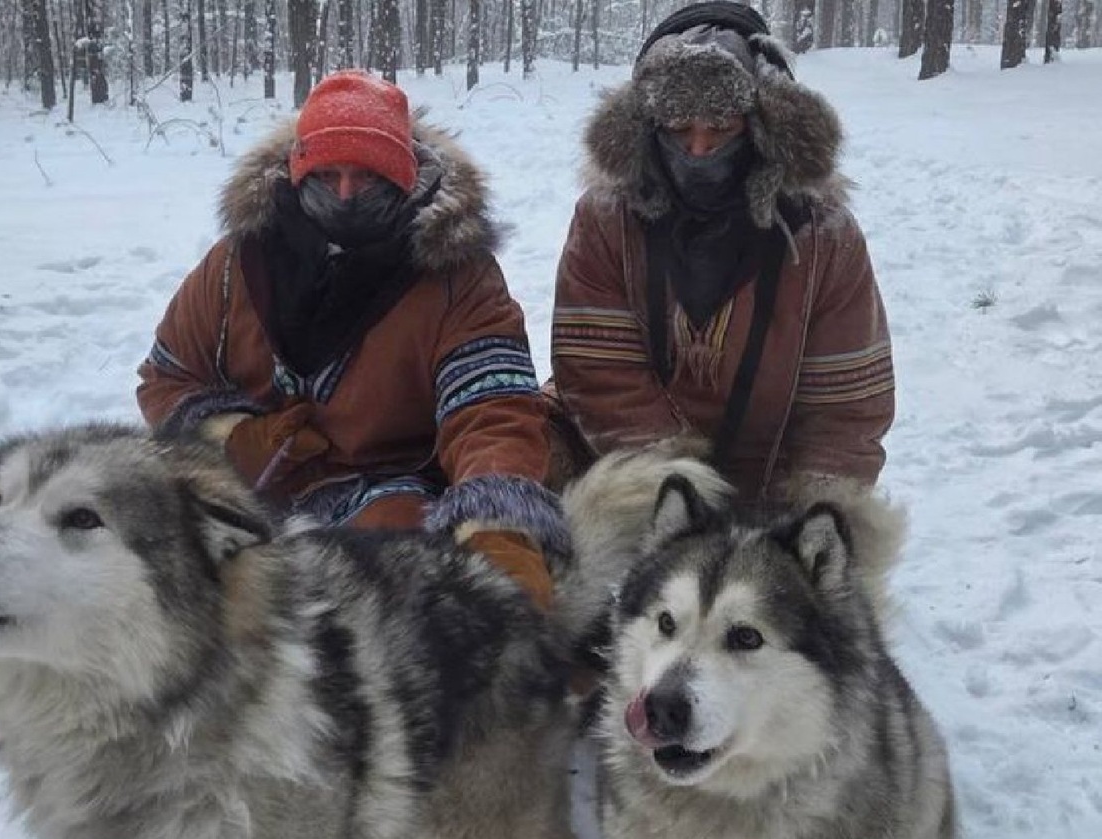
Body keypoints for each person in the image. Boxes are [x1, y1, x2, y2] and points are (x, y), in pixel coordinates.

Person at [137, 70, 563, 608]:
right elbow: (167, 375)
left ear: (403, 176)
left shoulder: (456, 273)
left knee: (405, 592)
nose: (343, 194)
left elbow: (491, 408)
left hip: (391, 490)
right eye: (327, 175)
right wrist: (234, 439)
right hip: (254, 494)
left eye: (366, 177)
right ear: (298, 172)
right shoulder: (237, 264)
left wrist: (497, 525)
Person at [546, 1, 895, 502]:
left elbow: (845, 410)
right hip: (624, 471)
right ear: (648, 126)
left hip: (773, 483)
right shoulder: (606, 218)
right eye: (678, 129)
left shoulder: (822, 236)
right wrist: (682, 501)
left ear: (760, 126)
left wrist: (810, 517)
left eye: (721, 128)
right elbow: (599, 375)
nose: (698, 149)